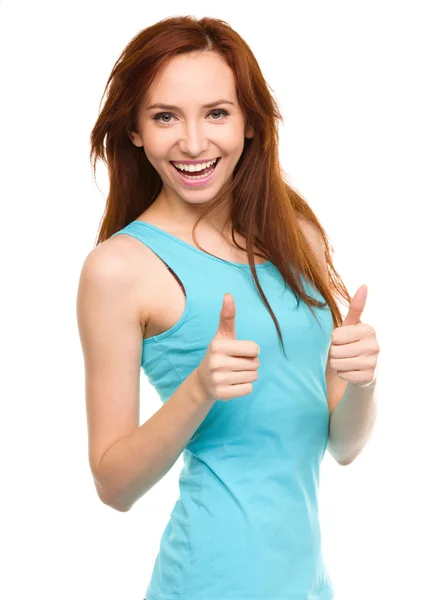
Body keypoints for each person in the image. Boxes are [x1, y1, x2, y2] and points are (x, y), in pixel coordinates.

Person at [76, 15, 379, 600]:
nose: (193, 143)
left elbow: (341, 446)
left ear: (250, 123)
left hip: (308, 582)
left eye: (217, 112)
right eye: (165, 116)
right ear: (135, 130)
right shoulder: (119, 268)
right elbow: (113, 486)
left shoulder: (295, 234)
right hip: (213, 579)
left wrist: (359, 380)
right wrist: (200, 388)